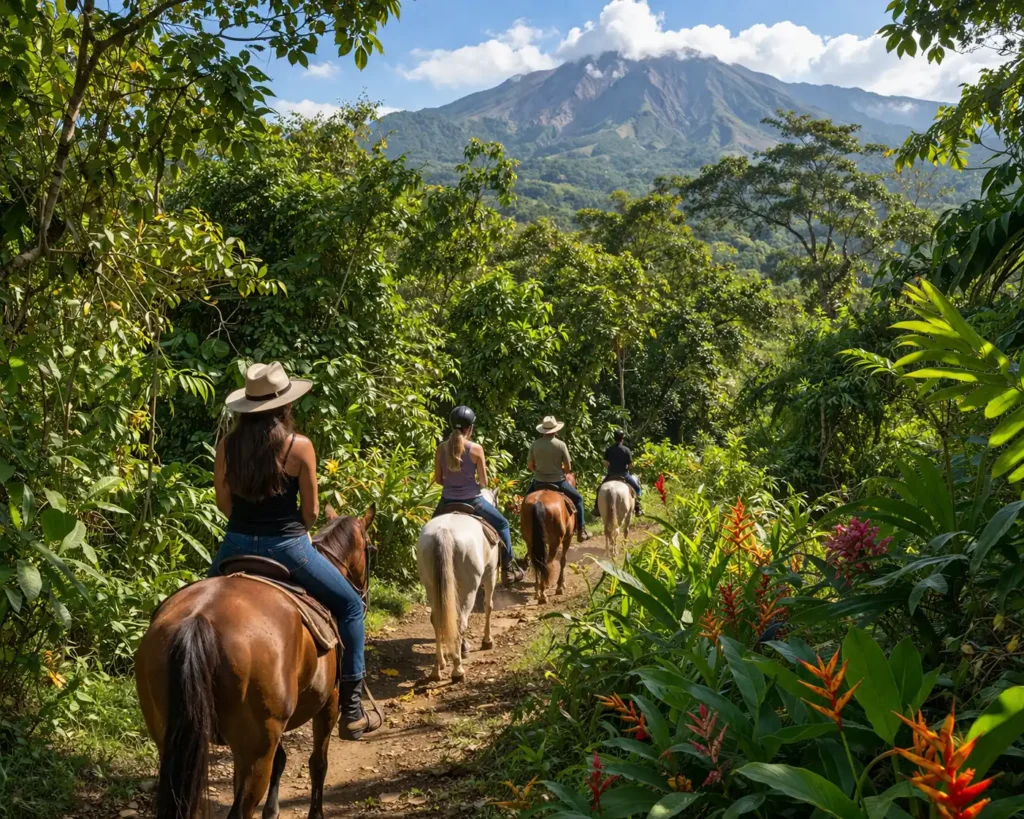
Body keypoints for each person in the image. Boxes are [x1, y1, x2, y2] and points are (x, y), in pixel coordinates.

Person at [209, 362, 381, 741]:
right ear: (284, 406)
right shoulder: (298, 446)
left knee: (202, 614)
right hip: (289, 547)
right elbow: (312, 513)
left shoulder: (227, 445)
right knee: (351, 606)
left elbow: (224, 503)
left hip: (233, 545)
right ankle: (351, 709)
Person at [433, 406, 525, 586]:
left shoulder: (441, 448)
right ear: (470, 428)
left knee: (427, 532)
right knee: (503, 524)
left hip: (446, 501)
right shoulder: (476, 449)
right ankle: (507, 569)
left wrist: (452, 485)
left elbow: (438, 480)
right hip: (473, 501)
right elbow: (483, 482)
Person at [527, 416, 591, 542]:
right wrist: (564, 472)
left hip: (538, 482)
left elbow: (530, 465)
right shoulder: (561, 445)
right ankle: (581, 530)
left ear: (543, 430)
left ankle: (525, 530)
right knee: (578, 499)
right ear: (556, 430)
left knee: (525, 503)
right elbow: (568, 466)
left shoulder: (535, 444)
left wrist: (538, 472)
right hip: (558, 482)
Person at [593, 429, 642, 517]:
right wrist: (629, 466)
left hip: (611, 474)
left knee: (599, 489)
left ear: (614, 438)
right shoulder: (627, 450)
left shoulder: (609, 449)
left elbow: (606, 463)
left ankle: (596, 507)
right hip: (624, 474)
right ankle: (638, 507)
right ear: (622, 438)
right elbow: (630, 466)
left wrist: (610, 466)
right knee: (637, 488)